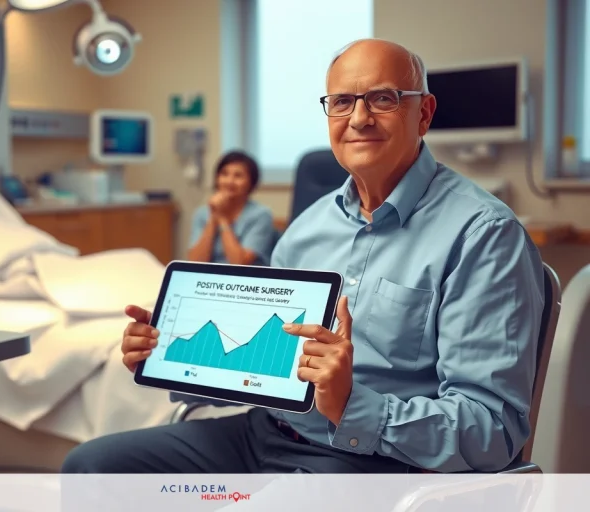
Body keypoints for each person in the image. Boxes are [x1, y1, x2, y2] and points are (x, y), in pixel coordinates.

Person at [61, 39, 544, 474]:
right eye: (342, 102)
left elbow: (492, 431)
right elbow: (262, 360)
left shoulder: (483, 236)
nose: (359, 118)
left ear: (423, 113)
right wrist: (168, 353)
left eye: (382, 98)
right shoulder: (305, 228)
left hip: (376, 461)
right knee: (93, 467)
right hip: (267, 433)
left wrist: (352, 404)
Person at [187, 151, 276, 266]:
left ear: (251, 183)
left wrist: (222, 218)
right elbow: (195, 263)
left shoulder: (261, 215)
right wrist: (214, 218)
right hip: (209, 279)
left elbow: (239, 264)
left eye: (238, 176)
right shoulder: (202, 214)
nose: (229, 181)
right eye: (224, 174)